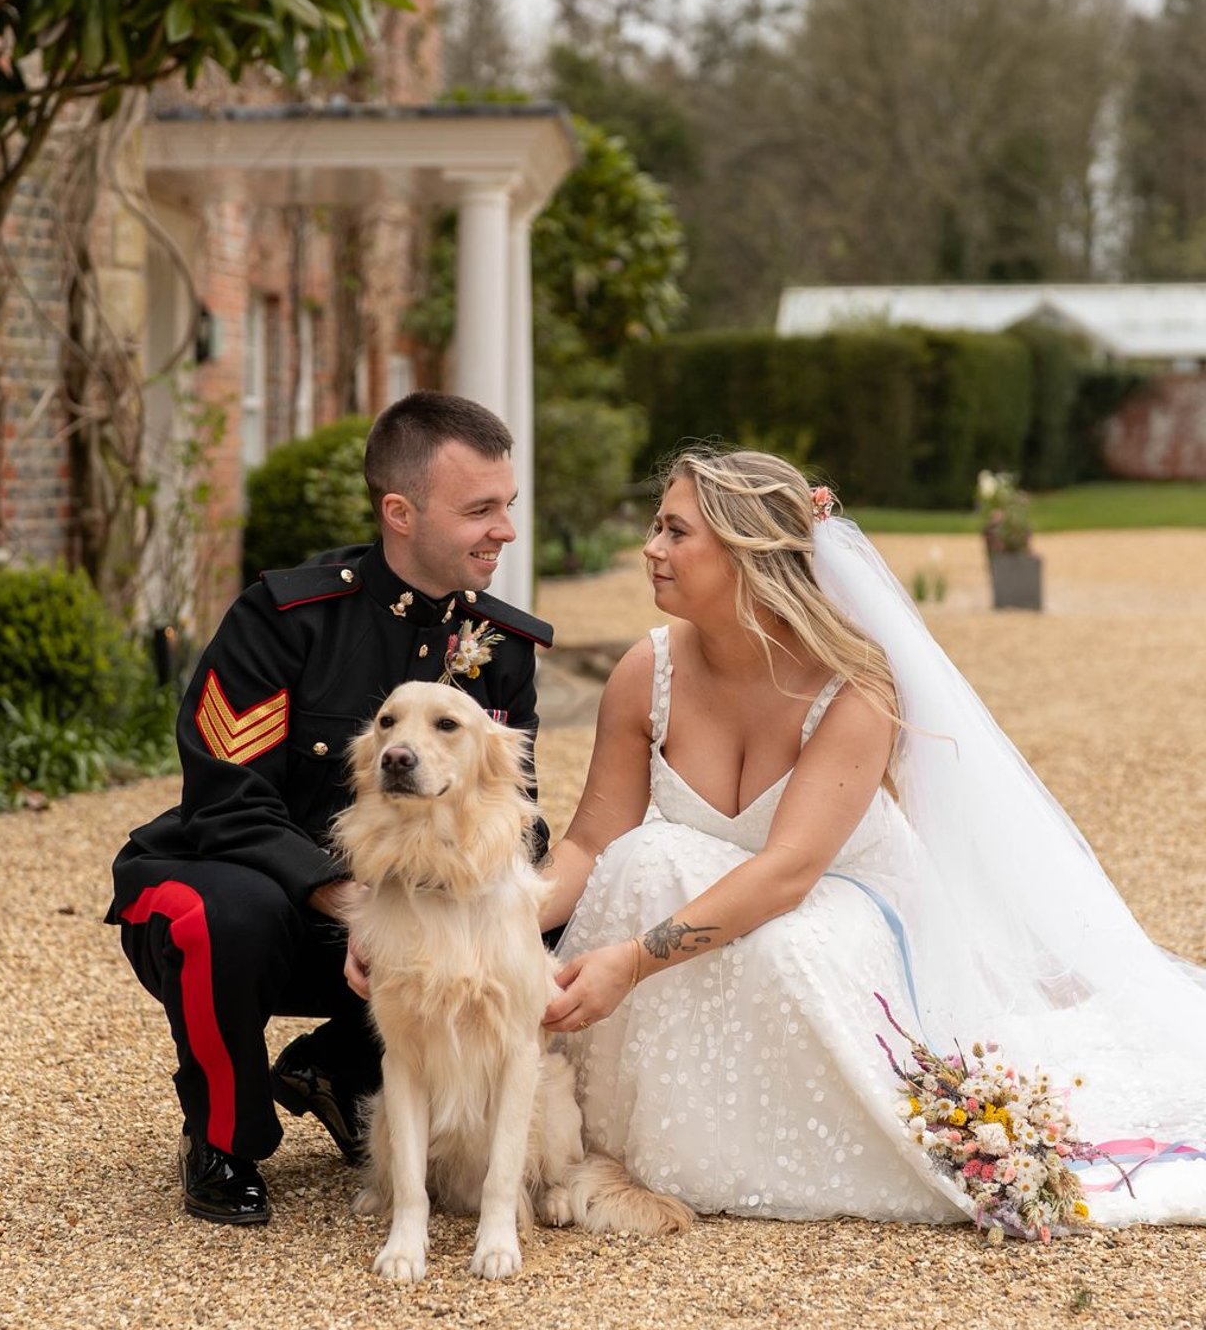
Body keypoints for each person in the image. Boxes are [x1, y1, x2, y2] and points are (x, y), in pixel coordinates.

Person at [541, 447, 1206, 1228]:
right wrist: (478, 925)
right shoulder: (642, 674)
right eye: (656, 527)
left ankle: (751, 1148)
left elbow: (788, 871)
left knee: (778, 947)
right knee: (640, 858)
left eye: (675, 532)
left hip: (846, 911)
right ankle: (628, 1135)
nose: (650, 549)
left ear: (748, 553)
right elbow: (588, 842)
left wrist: (632, 960)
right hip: (721, 894)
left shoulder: (854, 687)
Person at [107, 391, 552, 1225]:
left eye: (508, 507)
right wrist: (353, 904)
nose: (506, 531)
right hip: (269, 894)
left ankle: (342, 1070)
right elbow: (226, 797)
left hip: (411, 912)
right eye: (481, 510)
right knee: (217, 915)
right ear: (399, 511)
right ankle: (223, 1136)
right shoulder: (284, 619)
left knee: (545, 913)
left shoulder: (503, 650)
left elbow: (512, 813)